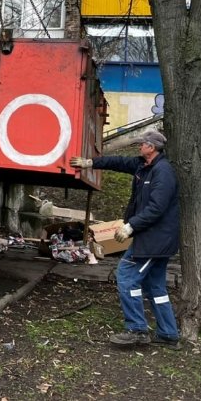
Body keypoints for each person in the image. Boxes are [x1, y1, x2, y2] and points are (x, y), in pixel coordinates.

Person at [70, 129, 181, 350]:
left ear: (151, 147)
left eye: (142, 144)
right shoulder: (144, 166)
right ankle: (168, 334)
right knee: (155, 287)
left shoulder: (163, 172)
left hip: (154, 241)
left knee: (126, 276)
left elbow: (157, 208)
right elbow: (118, 162)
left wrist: (131, 226)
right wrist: (90, 162)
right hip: (153, 240)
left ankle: (137, 330)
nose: (139, 147)